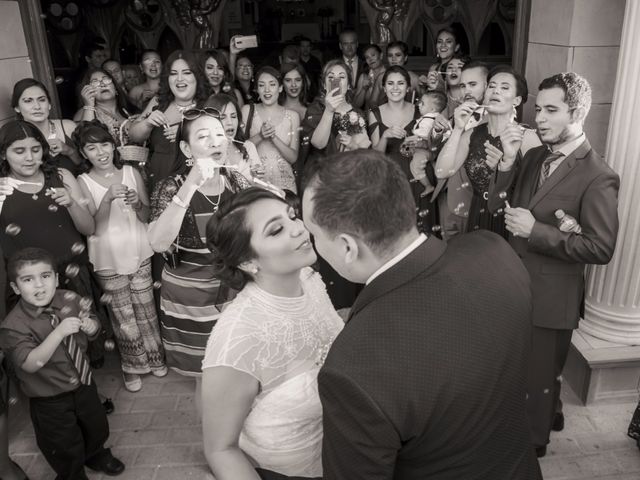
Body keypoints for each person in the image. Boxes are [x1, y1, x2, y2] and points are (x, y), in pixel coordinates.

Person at [301, 149, 542, 479]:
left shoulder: (353, 367)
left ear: (347, 247)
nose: (311, 243)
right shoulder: (495, 252)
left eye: (314, 234)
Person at [488, 72, 620, 457]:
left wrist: (538, 232)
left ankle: (531, 446)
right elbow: (500, 206)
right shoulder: (532, 156)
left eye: (551, 110)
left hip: (552, 296)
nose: (539, 118)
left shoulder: (599, 175)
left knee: (540, 375)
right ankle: (555, 412)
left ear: (577, 112)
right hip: (516, 285)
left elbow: (601, 248)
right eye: (537, 109)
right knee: (533, 371)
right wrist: (508, 164)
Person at [202, 187, 343, 479]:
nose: (299, 229)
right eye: (277, 230)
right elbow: (220, 449)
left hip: (341, 450)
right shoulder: (238, 338)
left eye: (292, 216)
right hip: (289, 469)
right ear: (247, 261)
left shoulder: (309, 279)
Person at [147, 107, 249, 404]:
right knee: (208, 378)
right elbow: (156, 242)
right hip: (190, 298)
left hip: (234, 292)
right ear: (185, 148)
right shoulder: (171, 187)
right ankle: (216, 442)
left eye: (220, 135)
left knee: (236, 367)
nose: (216, 142)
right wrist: (191, 184)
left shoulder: (236, 182)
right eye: (204, 137)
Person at [0, 247, 125, 479]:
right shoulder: (13, 326)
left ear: (56, 278)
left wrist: (92, 327)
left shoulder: (71, 299)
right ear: (16, 287)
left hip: (84, 384)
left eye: (45, 276)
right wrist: (57, 333)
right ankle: (72, 473)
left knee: (95, 426)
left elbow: (94, 328)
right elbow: (29, 363)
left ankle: (96, 453)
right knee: (62, 443)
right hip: (49, 399)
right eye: (28, 280)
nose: (39, 285)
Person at [0, 120, 114, 368]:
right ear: (3, 154)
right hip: (32, 282)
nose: (29, 158)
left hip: (72, 273)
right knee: (44, 341)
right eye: (19, 151)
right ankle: (60, 393)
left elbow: (89, 228)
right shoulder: (1, 188)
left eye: (35, 149)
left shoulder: (61, 177)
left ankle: (86, 390)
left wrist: (72, 203)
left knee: (83, 333)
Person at [74, 121, 166, 393]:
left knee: (146, 307)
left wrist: (137, 203)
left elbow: (146, 215)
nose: (100, 152)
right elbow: (93, 227)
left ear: (113, 145)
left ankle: (155, 357)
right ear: (83, 153)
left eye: (104, 144)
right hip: (107, 257)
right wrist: (106, 201)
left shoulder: (130, 172)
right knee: (121, 312)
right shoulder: (83, 181)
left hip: (138, 250)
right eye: (91, 147)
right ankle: (131, 365)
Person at [437, 65, 540, 238]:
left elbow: (538, 190)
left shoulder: (525, 137)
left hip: (511, 218)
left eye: (505, 88)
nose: (496, 91)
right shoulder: (471, 135)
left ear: (516, 100)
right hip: (477, 214)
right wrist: (458, 129)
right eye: (491, 86)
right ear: (485, 95)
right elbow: (442, 171)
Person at [129, 50, 210, 191]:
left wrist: (185, 132)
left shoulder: (210, 105)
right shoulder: (158, 102)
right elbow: (133, 135)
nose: (179, 79)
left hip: (198, 183)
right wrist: (147, 123)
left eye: (186, 72)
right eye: (173, 74)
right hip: (161, 180)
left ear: (197, 76)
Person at [431, 61, 488, 240]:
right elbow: (438, 150)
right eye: (463, 85)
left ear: (488, 86)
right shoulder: (457, 112)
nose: (466, 91)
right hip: (445, 196)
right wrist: (437, 132)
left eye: (473, 84)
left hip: (471, 203)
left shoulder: (494, 121)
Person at [241, 66, 299, 193]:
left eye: (272, 84)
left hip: (285, 185)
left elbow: (293, 157)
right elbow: (241, 150)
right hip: (256, 182)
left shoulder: (292, 116)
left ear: (280, 88)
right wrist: (260, 136)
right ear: (257, 89)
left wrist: (274, 138)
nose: (267, 90)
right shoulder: (247, 111)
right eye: (261, 85)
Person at [369, 66, 421, 203]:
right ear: (384, 88)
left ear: (408, 87)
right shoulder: (375, 113)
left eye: (401, 83)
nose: (395, 88)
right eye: (390, 83)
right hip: (387, 177)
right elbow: (376, 155)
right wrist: (385, 135)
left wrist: (421, 142)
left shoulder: (420, 111)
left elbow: (431, 147)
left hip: (416, 175)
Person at [11, 78, 82, 175]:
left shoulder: (68, 127)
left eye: (42, 100)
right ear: (17, 108)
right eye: (28, 101)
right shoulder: (11, 137)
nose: (37, 106)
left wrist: (69, 151)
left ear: (49, 104)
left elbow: (89, 167)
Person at [206, 93, 260, 180]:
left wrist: (257, 178)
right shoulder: (204, 153)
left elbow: (260, 189)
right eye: (223, 117)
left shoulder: (248, 147)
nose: (230, 122)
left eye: (233, 116)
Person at [74, 68, 131, 143]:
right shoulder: (84, 112)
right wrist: (89, 105)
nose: (102, 84)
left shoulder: (128, 110)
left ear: (116, 88)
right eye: (95, 82)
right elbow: (86, 139)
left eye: (106, 80)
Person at [353, 44, 385, 111]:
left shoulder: (389, 75)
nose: (370, 59)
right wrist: (364, 89)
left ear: (381, 55)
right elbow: (356, 105)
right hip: (369, 119)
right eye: (367, 57)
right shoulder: (364, 77)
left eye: (373, 55)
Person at [298, 36, 322, 100]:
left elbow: (320, 79)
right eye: (303, 46)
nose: (305, 49)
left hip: (314, 96)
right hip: (299, 94)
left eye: (307, 46)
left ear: (311, 47)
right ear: (299, 48)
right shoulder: (296, 62)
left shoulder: (316, 61)